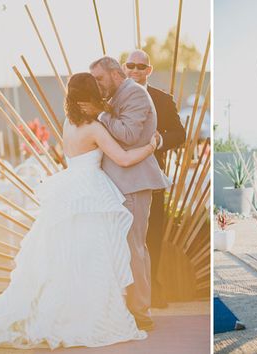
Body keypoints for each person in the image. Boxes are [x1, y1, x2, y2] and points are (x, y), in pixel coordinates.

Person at [0, 73, 157, 349]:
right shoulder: (95, 128)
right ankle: (87, 316)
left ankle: (59, 312)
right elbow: (123, 159)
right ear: (91, 96)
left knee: (62, 257)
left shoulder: (68, 124)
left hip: (69, 189)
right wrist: (150, 146)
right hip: (91, 192)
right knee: (92, 257)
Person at [82, 56, 170, 330]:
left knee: (134, 248)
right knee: (120, 248)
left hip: (132, 183)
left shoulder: (135, 93)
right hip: (116, 183)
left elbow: (130, 135)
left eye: (99, 79)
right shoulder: (118, 94)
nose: (97, 85)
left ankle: (141, 311)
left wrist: (100, 114)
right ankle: (125, 308)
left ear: (115, 74)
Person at [124, 50, 186, 308]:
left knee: (153, 234)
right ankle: (127, 292)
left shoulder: (162, 99)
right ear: (124, 68)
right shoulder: (114, 99)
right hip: (121, 178)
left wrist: (160, 141)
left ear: (149, 70)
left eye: (141, 66)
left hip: (151, 176)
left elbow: (179, 134)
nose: (135, 70)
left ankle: (153, 291)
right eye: (130, 65)